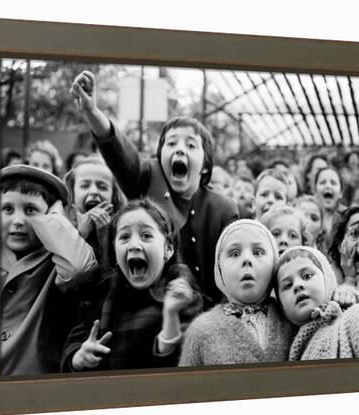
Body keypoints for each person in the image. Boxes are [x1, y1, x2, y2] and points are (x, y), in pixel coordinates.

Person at [70, 70, 238, 308]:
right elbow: (121, 153)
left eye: (190, 145)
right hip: (150, 309)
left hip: (208, 314)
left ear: (205, 165)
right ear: (160, 157)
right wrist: (91, 112)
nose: (180, 149)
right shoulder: (149, 177)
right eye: (171, 143)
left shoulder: (223, 209)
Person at [61, 199, 202, 372]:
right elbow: (72, 346)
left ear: (168, 249)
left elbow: (185, 366)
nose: (134, 245)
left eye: (146, 236)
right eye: (125, 237)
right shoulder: (102, 292)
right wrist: (78, 358)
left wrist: (170, 315)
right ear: (115, 251)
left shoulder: (183, 294)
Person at [0, 165, 97, 376]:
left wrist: (56, 217)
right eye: (7, 209)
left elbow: (78, 267)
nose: (18, 221)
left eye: (30, 210)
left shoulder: (55, 260)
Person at [179, 220, 295, 366]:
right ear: (219, 268)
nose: (246, 259)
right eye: (234, 253)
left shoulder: (291, 317)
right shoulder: (200, 330)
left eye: (258, 252)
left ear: (274, 263)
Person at [275, 246, 359, 360]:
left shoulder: (354, 317)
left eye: (307, 276)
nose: (297, 285)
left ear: (328, 280)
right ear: (281, 307)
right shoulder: (286, 352)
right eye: (288, 285)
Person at [64, 156, 126, 262]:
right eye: (84, 186)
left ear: (113, 196)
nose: (94, 191)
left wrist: (104, 238)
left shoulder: (122, 229)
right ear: (72, 193)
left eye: (102, 187)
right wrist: (81, 235)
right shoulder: (60, 226)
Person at [328, 205, 359, 303]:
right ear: (340, 244)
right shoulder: (326, 280)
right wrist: (349, 279)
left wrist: (352, 278)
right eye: (355, 233)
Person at [314, 167, 345, 252]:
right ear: (315, 191)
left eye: (333, 183)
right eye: (322, 182)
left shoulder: (347, 217)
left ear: (341, 193)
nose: (328, 186)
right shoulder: (307, 216)